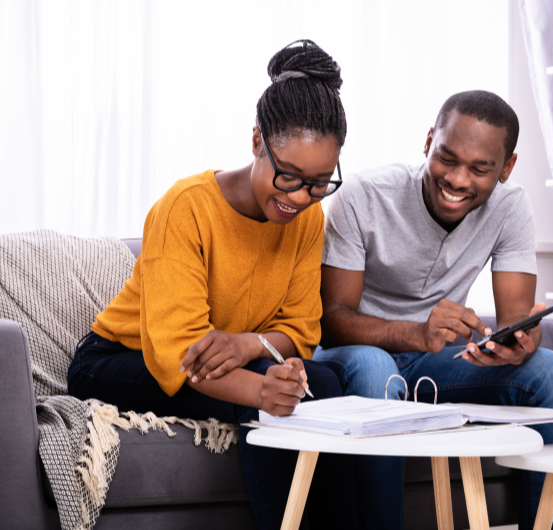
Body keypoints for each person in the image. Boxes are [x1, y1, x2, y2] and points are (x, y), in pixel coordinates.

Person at [67, 40, 357, 530]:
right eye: (288, 177)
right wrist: (263, 389)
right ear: (256, 141)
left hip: (222, 352)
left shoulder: (309, 218)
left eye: (320, 182)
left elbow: (302, 331)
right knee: (272, 400)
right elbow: (174, 353)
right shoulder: (186, 207)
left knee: (325, 383)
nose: (301, 197)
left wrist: (247, 346)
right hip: (120, 360)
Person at [315, 90, 553, 530]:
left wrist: (521, 344)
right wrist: (415, 333)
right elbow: (332, 321)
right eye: (447, 158)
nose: (457, 180)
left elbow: (515, 322)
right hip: (356, 353)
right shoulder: (364, 194)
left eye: (480, 169)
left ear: (506, 169)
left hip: (434, 362)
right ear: (428, 142)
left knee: (551, 373)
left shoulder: (511, 208)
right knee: (377, 368)